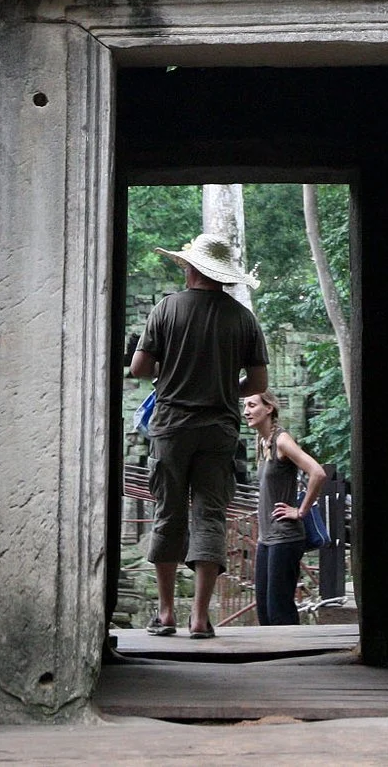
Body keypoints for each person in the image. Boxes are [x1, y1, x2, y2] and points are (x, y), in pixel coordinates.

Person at [128, 233, 268, 638]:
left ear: (190, 269)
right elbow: (258, 380)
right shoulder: (243, 318)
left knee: (168, 513)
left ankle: (167, 613)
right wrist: (223, 387)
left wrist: (173, 375)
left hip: (171, 427)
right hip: (220, 430)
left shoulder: (166, 309)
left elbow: (139, 369)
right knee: (209, 516)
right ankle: (201, 618)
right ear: (223, 276)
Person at [244, 390, 327, 626]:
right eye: (245, 406)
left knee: (279, 610)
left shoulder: (281, 440)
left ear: (268, 408)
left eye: (251, 405)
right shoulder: (262, 441)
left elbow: (317, 473)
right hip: (266, 538)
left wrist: (300, 511)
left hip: (285, 537)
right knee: (264, 609)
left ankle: (293, 659)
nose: (246, 411)